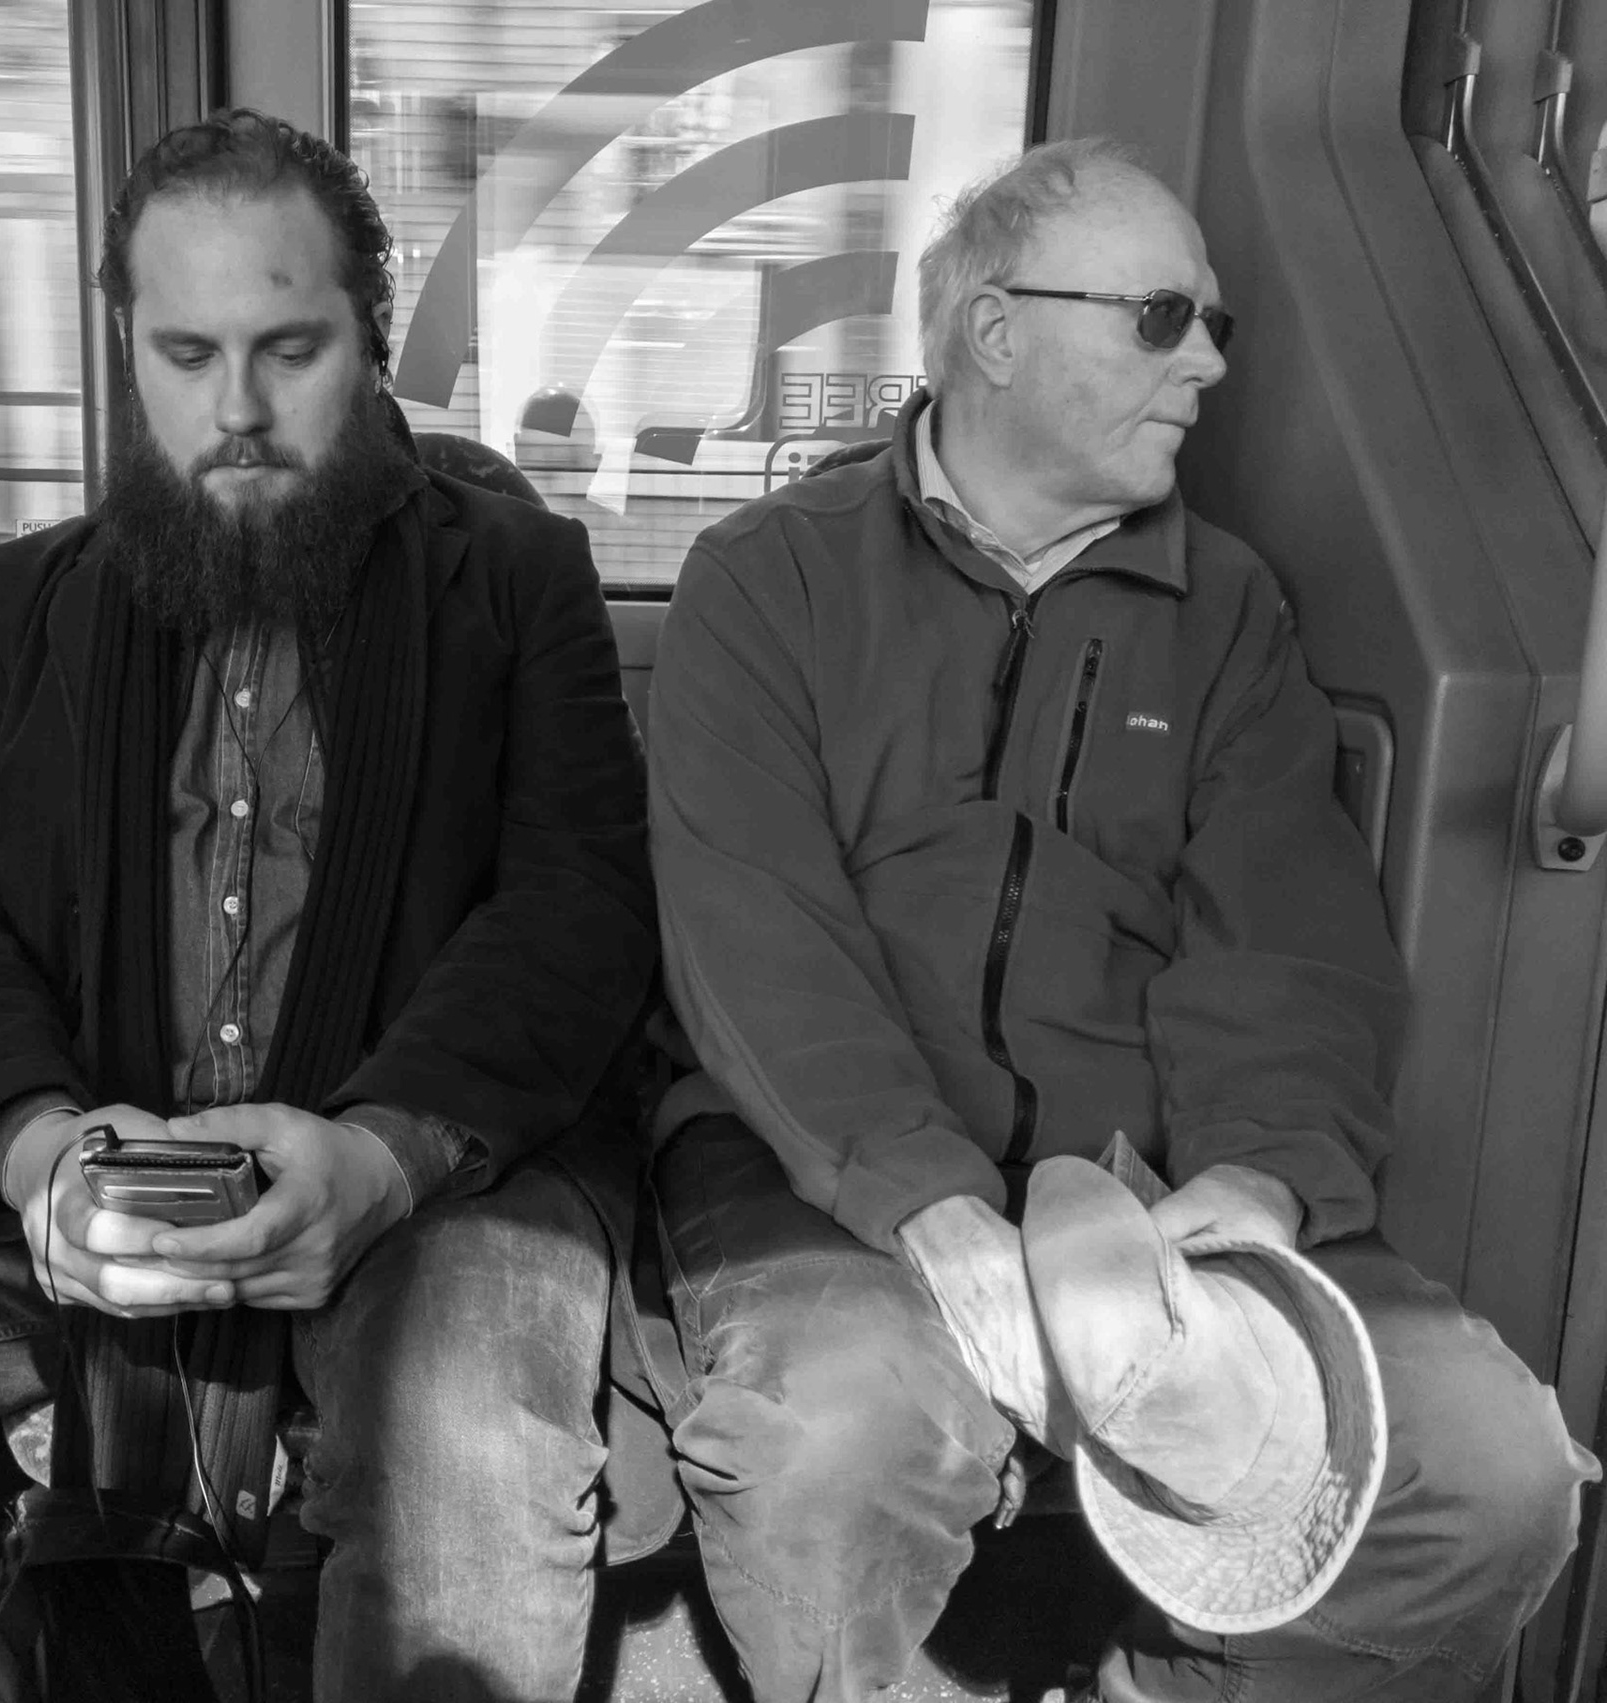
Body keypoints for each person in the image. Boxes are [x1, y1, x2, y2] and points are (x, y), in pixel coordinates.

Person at [0, 109, 659, 1702]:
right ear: (124, 338)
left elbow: (576, 911)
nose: (238, 412)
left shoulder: (521, 580)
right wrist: (37, 1150)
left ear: (376, 325)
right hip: (66, 1161)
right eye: (186, 352)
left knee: (469, 1444)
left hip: (424, 1172)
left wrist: (379, 1154)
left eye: (291, 349)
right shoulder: (13, 607)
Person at [644, 136, 1600, 1703]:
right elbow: (755, 927)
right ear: (996, 332)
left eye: (1218, 323)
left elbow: (1285, 945)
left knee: (1500, 1475)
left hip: (1145, 1182)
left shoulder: (1225, 611)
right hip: (819, 1162)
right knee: (839, 1440)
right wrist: (928, 1201)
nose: (1212, 363)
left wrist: (1260, 1181)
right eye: (1166, 316)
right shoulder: (771, 579)